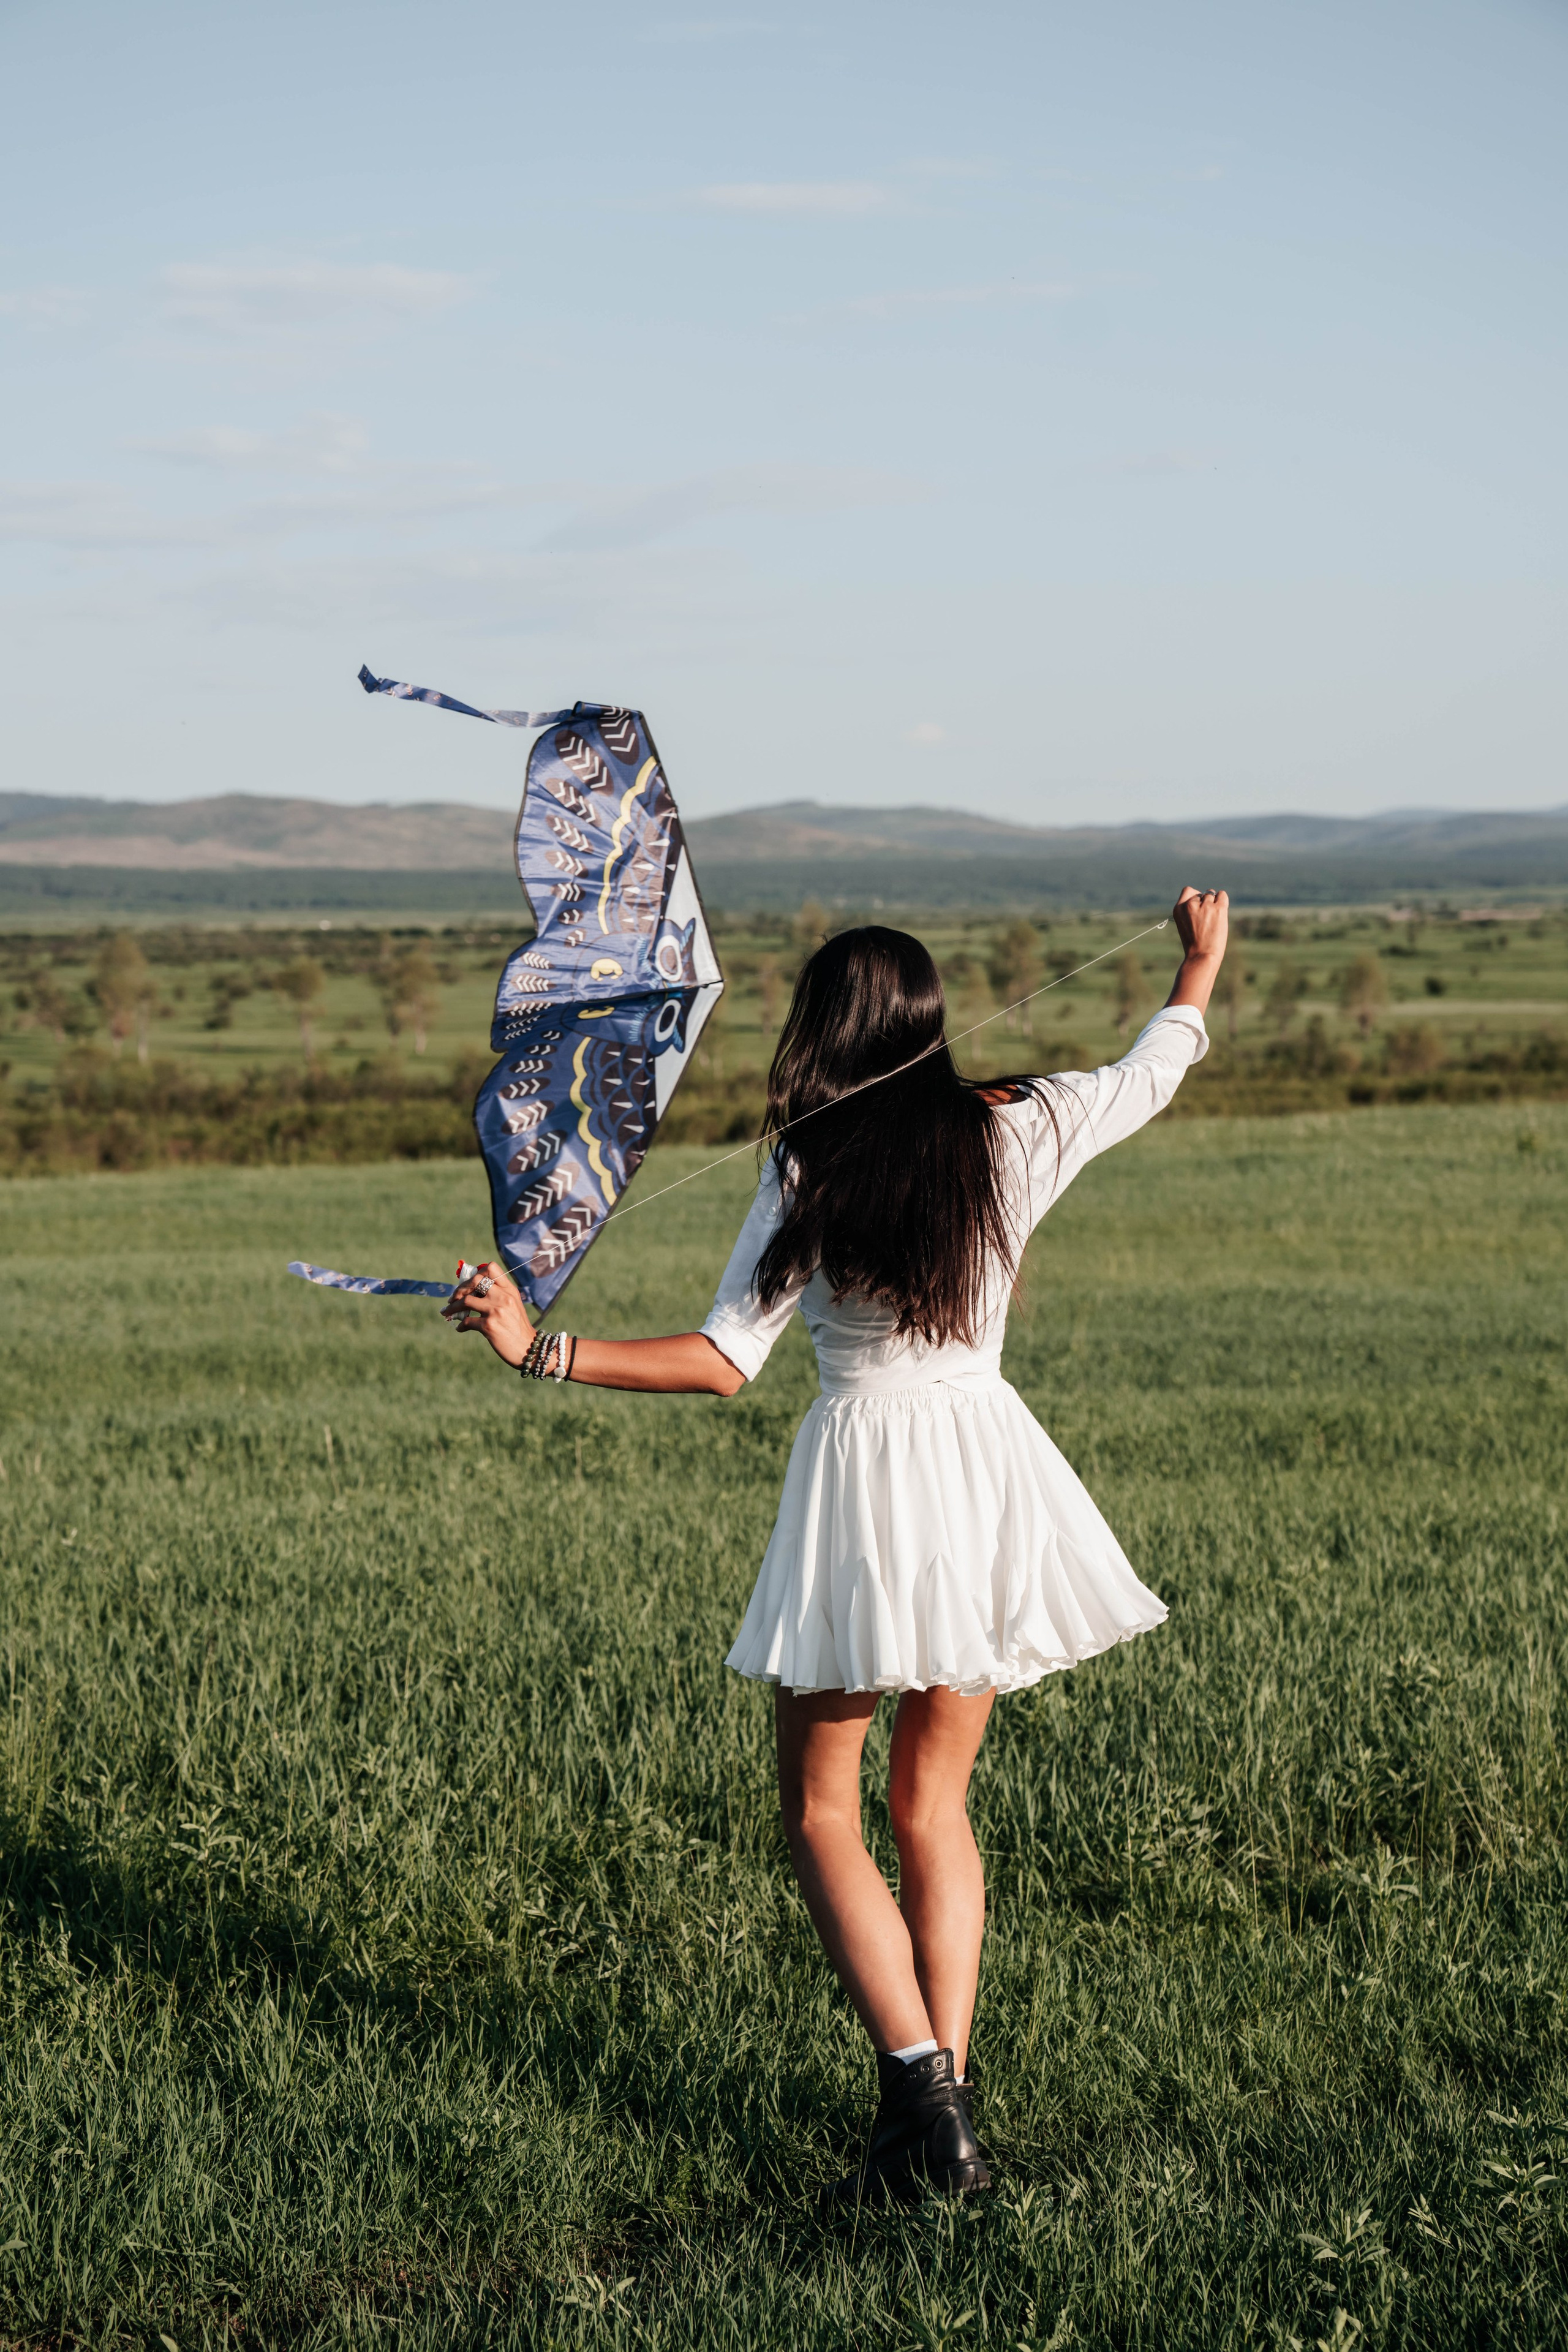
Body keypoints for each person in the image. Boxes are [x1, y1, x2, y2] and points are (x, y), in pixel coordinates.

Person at [449, 886, 1229, 2204]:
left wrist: (542, 1352)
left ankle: (923, 2103)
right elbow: (1148, 1072)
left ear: (826, 1032)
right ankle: (941, 2125)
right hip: (986, 1476)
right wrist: (1197, 969)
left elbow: (718, 1362)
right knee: (931, 1807)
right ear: (926, 1023)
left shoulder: (805, 1163)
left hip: (867, 1482)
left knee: (820, 1809)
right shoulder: (1016, 1126)